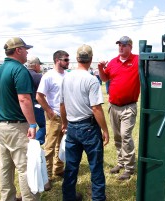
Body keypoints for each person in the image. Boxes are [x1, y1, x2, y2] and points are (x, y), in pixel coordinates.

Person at [0, 37, 40, 200]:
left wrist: (2, 108)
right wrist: (32, 123)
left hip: (1, 125)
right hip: (17, 126)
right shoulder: (19, 70)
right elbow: (24, 99)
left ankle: (7, 197)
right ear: (18, 50)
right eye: (25, 49)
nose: (27, 52)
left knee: (5, 166)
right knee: (25, 167)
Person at [60, 44, 109, 201]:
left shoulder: (66, 77)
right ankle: (98, 198)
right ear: (91, 59)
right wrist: (105, 130)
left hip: (72, 126)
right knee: (95, 167)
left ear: (77, 58)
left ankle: (68, 197)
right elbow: (96, 108)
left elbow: (62, 104)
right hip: (88, 127)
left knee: (71, 167)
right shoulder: (91, 80)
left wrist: (64, 123)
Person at [98, 36, 140, 180]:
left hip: (129, 107)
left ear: (130, 47)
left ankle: (129, 168)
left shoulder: (137, 60)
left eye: (124, 45)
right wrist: (100, 68)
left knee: (125, 136)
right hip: (114, 106)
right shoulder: (113, 62)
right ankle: (120, 163)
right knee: (117, 136)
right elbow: (104, 79)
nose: (120, 48)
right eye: (119, 45)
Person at [36, 50, 69, 186]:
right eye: (65, 60)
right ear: (57, 60)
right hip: (54, 117)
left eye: (68, 60)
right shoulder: (48, 76)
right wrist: (50, 111)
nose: (68, 62)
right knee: (49, 147)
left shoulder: (67, 75)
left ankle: (58, 169)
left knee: (61, 145)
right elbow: (39, 96)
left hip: (66, 117)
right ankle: (46, 177)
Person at [27, 56, 46, 145]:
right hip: (36, 105)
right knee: (43, 126)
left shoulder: (22, 74)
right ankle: (37, 143)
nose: (40, 67)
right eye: (39, 65)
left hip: (24, 105)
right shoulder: (38, 76)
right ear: (35, 65)